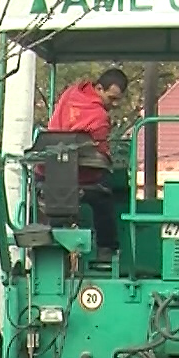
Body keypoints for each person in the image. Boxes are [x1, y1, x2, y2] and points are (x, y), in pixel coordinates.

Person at [43, 67, 129, 256]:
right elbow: (99, 152)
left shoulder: (71, 93)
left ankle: (54, 240)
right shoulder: (99, 117)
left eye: (118, 100)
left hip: (49, 172)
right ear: (99, 88)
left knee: (57, 195)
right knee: (104, 193)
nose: (114, 104)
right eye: (112, 98)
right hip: (79, 176)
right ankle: (107, 248)